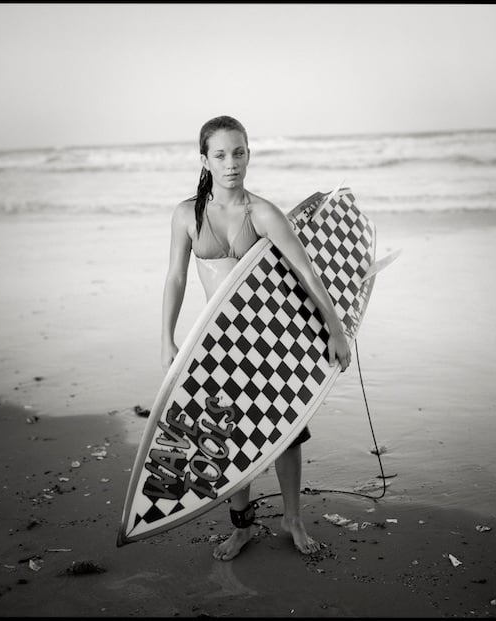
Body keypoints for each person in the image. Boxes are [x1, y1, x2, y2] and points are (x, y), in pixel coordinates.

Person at [161, 115, 351, 561]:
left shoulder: (263, 213)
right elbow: (175, 277)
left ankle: (293, 518)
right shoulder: (187, 214)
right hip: (217, 343)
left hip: (269, 338)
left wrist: (336, 328)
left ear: (249, 153)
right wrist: (167, 338)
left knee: (286, 431)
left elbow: (305, 273)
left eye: (240, 152)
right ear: (205, 159)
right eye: (222, 154)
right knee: (231, 431)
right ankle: (242, 527)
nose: (232, 163)